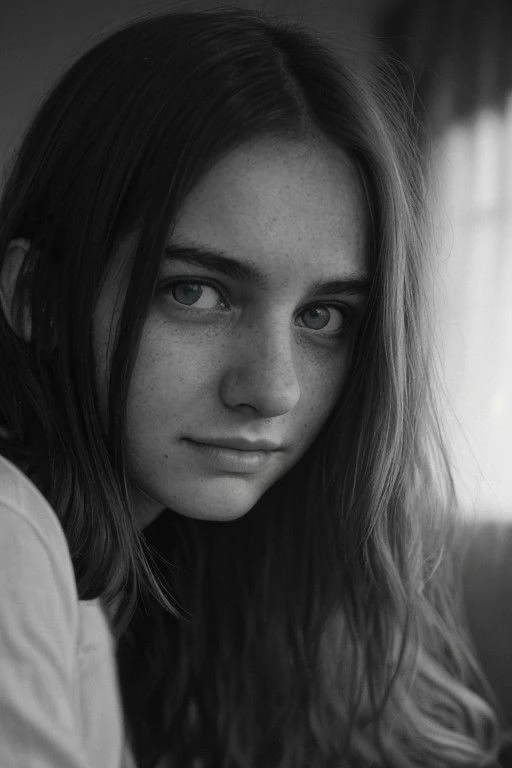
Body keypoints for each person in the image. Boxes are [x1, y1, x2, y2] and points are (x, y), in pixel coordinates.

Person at [0, 8, 502, 768]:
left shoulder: (120, 580)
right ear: (38, 298)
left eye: (323, 316)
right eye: (196, 292)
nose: (274, 391)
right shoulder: (11, 532)